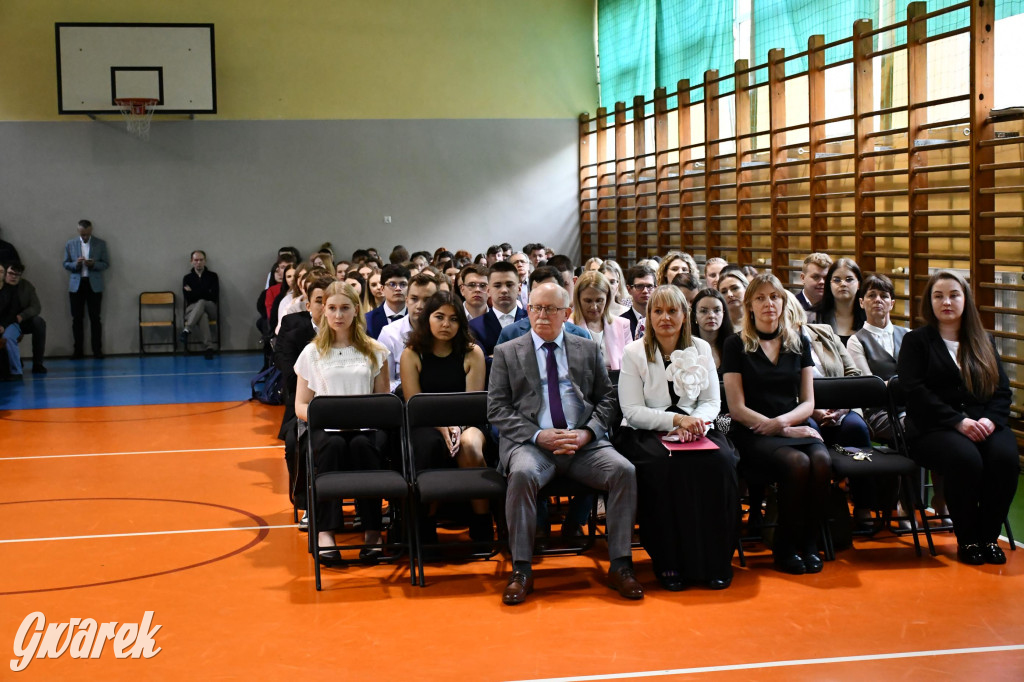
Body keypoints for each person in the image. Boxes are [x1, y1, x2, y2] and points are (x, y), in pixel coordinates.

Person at [488, 282, 641, 604]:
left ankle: (621, 565)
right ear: (528, 310)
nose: (542, 315)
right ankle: (522, 569)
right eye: (536, 308)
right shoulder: (507, 352)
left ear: (567, 314)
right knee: (523, 475)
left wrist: (588, 433)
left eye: (550, 309)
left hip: (582, 443)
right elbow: (497, 409)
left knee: (623, 470)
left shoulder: (586, 348)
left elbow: (607, 400)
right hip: (532, 444)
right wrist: (537, 435)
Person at [616, 285, 738, 590]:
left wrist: (695, 422)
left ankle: (715, 561)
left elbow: (712, 401)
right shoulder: (633, 352)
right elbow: (632, 411)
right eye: (658, 311)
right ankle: (668, 562)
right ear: (649, 315)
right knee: (664, 467)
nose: (665, 317)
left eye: (673, 311)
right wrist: (676, 420)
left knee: (720, 462)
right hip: (649, 430)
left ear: (685, 316)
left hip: (696, 428)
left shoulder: (701, 348)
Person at [897, 271, 1018, 566]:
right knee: (966, 459)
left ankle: (989, 537)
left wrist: (990, 420)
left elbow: (1002, 391)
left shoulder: (983, 340)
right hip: (933, 426)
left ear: (965, 299)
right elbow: (915, 392)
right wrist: (957, 422)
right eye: (938, 296)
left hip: (983, 422)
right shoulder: (916, 341)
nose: (946, 302)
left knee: (1005, 459)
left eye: (954, 295)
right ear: (930, 302)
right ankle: (968, 539)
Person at [722, 273, 831, 575]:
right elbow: (737, 408)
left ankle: (809, 543)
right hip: (753, 431)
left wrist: (784, 424)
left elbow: (808, 402)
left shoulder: (799, 342)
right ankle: (784, 546)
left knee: (821, 461)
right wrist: (781, 428)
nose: (768, 303)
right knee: (797, 463)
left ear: (784, 302)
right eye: (760, 298)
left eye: (775, 297)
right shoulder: (736, 344)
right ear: (750, 306)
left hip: (793, 425)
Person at [294, 281, 391, 563]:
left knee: (363, 446)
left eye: (345, 308)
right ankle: (326, 532)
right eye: (333, 308)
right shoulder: (312, 353)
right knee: (332, 447)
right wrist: (321, 416)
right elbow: (300, 404)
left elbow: (382, 399)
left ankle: (372, 531)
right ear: (324, 311)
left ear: (356, 310)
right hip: (327, 430)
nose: (338, 315)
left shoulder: (374, 350)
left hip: (365, 428)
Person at [401, 291, 491, 542]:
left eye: (453, 319)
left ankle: (482, 523)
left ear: (461, 324)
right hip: (426, 423)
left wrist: (457, 427)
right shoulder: (411, 353)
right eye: (439, 317)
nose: (445, 324)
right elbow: (414, 404)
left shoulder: (473, 352)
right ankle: (425, 526)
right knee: (430, 444)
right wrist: (442, 427)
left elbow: (471, 405)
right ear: (427, 319)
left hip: (466, 420)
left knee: (469, 444)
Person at [275, 274, 333, 528]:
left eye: (330, 301)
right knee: (294, 442)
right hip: (304, 404)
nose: (325, 306)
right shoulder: (295, 332)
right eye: (319, 301)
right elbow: (290, 376)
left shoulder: (350, 334)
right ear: (308, 305)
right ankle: (307, 504)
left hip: (344, 405)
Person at [846, 274, 909, 441]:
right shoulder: (856, 341)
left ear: (892, 303)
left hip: (912, 407)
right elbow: (870, 386)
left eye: (884, 296)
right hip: (878, 413)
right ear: (861, 302)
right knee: (918, 425)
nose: (878, 300)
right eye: (872, 295)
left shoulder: (908, 335)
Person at [496, 267, 592, 345]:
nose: (544, 295)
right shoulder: (510, 334)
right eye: (538, 292)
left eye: (551, 290)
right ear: (530, 296)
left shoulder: (582, 336)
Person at [377, 271, 438, 390]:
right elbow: (386, 384)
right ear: (406, 301)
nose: (420, 306)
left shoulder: (445, 331)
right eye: (414, 299)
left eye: (427, 300)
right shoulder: (389, 334)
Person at [63, 219, 109, 358]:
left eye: (87, 234)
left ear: (91, 231)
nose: (85, 237)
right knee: (77, 319)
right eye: (83, 234)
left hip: (93, 284)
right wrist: (76, 264)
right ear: (78, 231)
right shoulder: (70, 244)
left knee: (95, 318)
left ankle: (97, 350)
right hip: (76, 284)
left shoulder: (100, 244)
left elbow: (106, 264)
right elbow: (65, 263)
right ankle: (78, 351)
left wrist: (93, 264)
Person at [571, 271, 631, 370]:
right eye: (588, 301)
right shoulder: (567, 327)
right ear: (578, 299)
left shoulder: (622, 324)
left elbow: (630, 364)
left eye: (599, 300)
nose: (594, 307)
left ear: (607, 299)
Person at [468, 261, 527, 357]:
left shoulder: (532, 319)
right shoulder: (474, 327)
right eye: (497, 285)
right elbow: (480, 363)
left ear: (519, 289)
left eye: (509, 284)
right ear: (488, 291)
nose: (504, 290)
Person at [0, 263, 46, 374]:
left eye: (17, 275)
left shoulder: (26, 286)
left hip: (21, 320)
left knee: (39, 322)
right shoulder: (2, 286)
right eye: (11, 273)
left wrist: (23, 316)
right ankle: (12, 362)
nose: (13, 277)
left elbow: (36, 306)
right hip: (4, 321)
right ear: (6, 273)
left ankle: (38, 363)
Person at [812, 258, 865, 344]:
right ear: (829, 284)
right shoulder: (814, 318)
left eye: (849, 279)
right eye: (837, 280)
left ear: (858, 284)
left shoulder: (869, 317)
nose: (843, 284)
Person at [180, 250, 219, 359]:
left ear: (205, 261)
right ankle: (209, 348)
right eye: (196, 260)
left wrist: (194, 291)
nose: (199, 262)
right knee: (203, 315)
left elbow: (213, 296)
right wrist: (205, 291)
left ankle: (187, 329)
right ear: (191, 261)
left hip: (210, 306)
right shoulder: (187, 278)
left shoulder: (213, 276)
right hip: (192, 309)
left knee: (202, 302)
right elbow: (188, 298)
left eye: (201, 260)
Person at [690, 288, 733, 371]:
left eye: (717, 310)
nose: (711, 315)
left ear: (723, 314)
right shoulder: (687, 347)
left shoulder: (734, 346)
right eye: (704, 311)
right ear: (695, 315)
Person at [365, 263, 410, 339]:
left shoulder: (417, 318)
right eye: (392, 284)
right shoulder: (368, 320)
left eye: (403, 284)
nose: (398, 288)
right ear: (382, 289)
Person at [621, 264, 656, 339]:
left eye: (650, 286)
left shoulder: (660, 319)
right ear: (629, 289)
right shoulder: (621, 321)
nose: (645, 291)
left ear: (655, 289)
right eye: (639, 286)